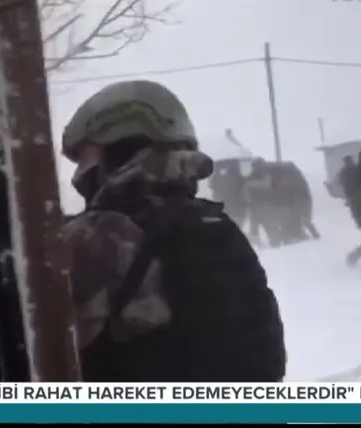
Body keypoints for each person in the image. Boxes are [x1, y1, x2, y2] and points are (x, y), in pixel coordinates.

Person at [59, 80, 286, 382]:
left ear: (122, 150)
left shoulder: (105, 236)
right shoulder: (213, 225)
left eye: (88, 159)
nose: (80, 174)